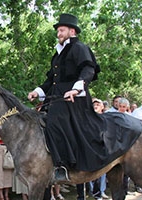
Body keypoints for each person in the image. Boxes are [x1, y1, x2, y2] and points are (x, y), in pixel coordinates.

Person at [27, 13, 101, 180]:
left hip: (74, 99)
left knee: (54, 123)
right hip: (56, 98)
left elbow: (89, 70)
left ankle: (63, 165)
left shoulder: (79, 48)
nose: (58, 33)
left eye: (61, 30)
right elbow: (51, 80)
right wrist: (36, 92)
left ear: (72, 32)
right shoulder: (58, 53)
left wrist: (76, 90)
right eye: (58, 31)